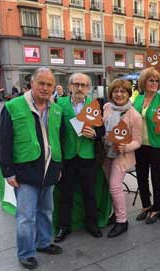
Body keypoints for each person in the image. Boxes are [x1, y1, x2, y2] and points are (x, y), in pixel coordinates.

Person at [0, 68, 64, 269]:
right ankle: (26, 252)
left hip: (49, 169)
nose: (45, 88)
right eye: (41, 83)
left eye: (49, 84)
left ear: (54, 87)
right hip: (25, 173)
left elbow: (58, 140)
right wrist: (8, 172)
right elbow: (3, 142)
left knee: (46, 211)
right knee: (26, 216)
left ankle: (43, 243)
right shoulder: (13, 106)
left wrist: (58, 166)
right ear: (31, 83)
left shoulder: (57, 109)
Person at [54, 73, 105, 242]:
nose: (80, 88)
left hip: (87, 156)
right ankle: (64, 227)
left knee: (89, 193)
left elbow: (102, 130)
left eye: (84, 85)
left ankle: (91, 224)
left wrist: (94, 134)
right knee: (65, 194)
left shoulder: (95, 105)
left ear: (89, 88)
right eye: (76, 84)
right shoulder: (59, 104)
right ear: (69, 86)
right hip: (66, 157)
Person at [133, 67, 160, 224]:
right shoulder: (137, 99)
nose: (154, 83)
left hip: (159, 146)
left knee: (156, 179)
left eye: (157, 81)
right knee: (141, 177)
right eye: (151, 80)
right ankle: (145, 206)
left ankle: (156, 209)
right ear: (144, 82)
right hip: (139, 145)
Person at [102, 79, 142, 237]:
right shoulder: (106, 108)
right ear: (111, 93)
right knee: (109, 187)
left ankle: (122, 221)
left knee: (115, 186)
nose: (119, 94)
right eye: (116, 91)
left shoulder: (134, 115)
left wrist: (126, 147)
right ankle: (115, 214)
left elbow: (137, 141)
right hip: (105, 154)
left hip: (122, 156)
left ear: (128, 94)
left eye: (123, 91)